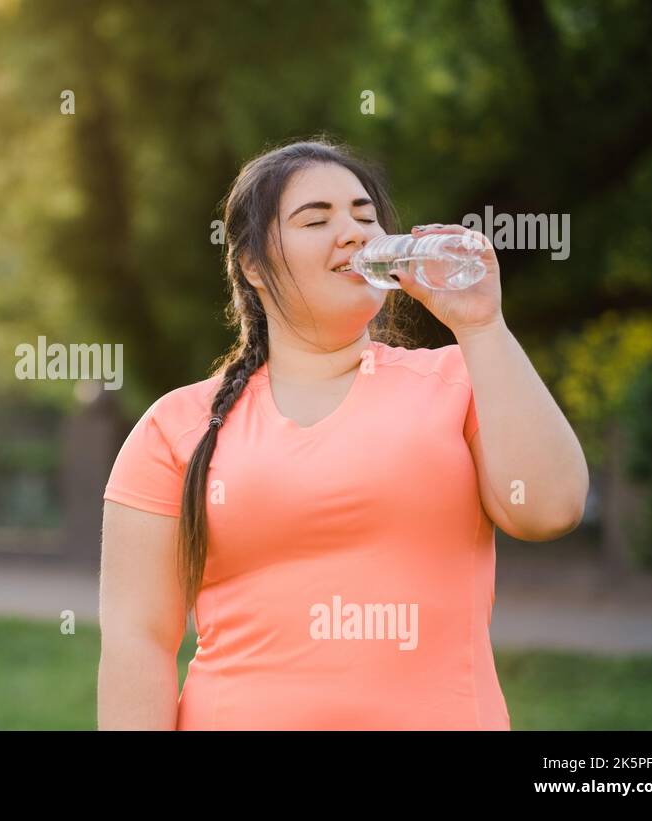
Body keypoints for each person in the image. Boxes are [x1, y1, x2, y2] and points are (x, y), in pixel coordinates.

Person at [96, 139, 589, 730]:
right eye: (317, 219)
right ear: (252, 264)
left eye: (364, 215)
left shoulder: (459, 380)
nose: (355, 232)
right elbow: (138, 641)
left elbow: (549, 508)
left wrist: (482, 325)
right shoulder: (175, 428)